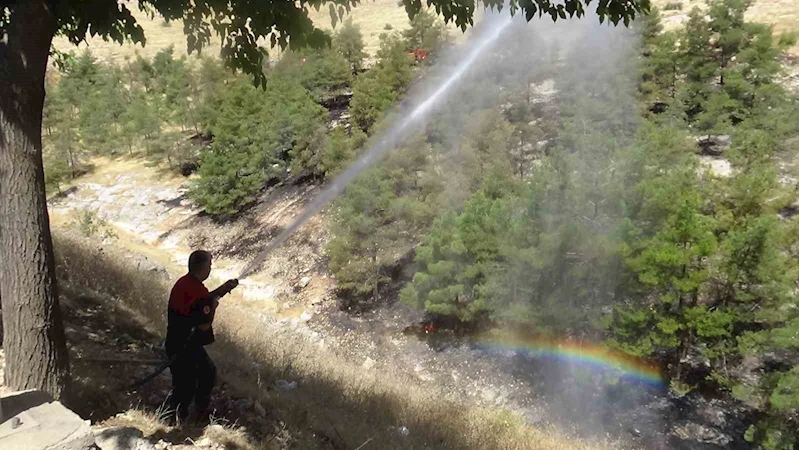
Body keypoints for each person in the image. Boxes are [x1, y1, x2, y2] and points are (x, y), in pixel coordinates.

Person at [166, 250, 238, 423]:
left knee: (198, 376)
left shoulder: (185, 283)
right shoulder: (197, 290)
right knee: (190, 384)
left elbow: (200, 302)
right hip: (185, 348)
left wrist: (222, 290)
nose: (211, 268)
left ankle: (181, 415)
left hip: (177, 343)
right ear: (203, 267)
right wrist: (213, 307)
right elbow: (203, 323)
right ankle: (179, 420)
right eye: (210, 265)